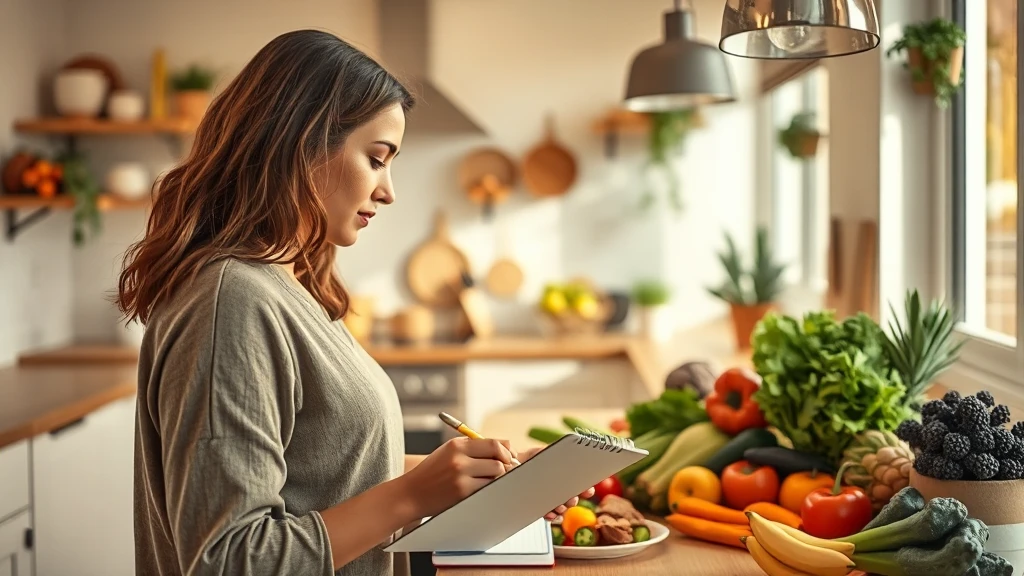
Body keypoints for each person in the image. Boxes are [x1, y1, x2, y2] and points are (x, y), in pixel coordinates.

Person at [115, 29, 591, 576]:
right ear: (301, 142)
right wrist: (413, 495)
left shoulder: (287, 285)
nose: (388, 190)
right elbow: (232, 560)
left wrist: (463, 478)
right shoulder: (233, 303)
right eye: (376, 157)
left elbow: (322, 475)